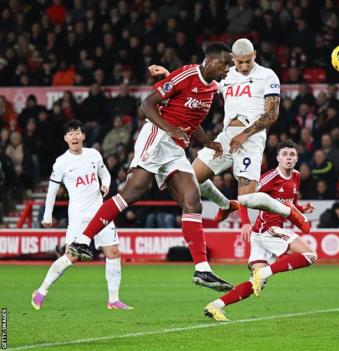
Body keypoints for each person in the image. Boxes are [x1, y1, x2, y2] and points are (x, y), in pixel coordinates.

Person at [67, 43, 235, 292]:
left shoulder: (211, 88)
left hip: (176, 147)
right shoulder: (186, 74)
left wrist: (207, 141)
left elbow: (190, 120)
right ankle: (81, 240)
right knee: (133, 192)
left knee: (192, 200)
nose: (228, 69)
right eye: (226, 63)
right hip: (157, 135)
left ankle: (203, 270)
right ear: (211, 61)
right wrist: (169, 128)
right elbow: (145, 106)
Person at [148, 38, 310, 234]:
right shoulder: (226, 74)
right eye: (239, 61)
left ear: (255, 55)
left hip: (251, 138)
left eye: (247, 61)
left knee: (247, 199)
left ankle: (290, 213)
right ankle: (225, 205)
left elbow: (271, 114)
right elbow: (198, 80)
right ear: (233, 58)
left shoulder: (267, 76)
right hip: (226, 137)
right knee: (191, 179)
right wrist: (168, 75)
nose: (243, 66)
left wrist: (244, 134)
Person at [203, 141, 316, 321]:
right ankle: (264, 272)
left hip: (263, 234)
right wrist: (245, 223)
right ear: (278, 158)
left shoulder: (295, 176)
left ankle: (216, 306)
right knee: (310, 255)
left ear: (297, 158)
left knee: (255, 283)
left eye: (292, 154)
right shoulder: (269, 177)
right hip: (267, 230)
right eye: (285, 154)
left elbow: (289, 203)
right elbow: (244, 198)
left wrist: (301, 208)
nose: (289, 157)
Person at [32, 121, 132, 310]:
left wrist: (106, 184)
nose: (74, 137)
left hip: (100, 213)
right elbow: (52, 191)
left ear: (83, 136)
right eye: (70, 134)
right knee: (71, 257)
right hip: (78, 217)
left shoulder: (94, 155)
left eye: (77, 133)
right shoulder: (61, 162)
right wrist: (47, 215)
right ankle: (41, 291)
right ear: (65, 139)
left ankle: (113, 300)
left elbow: (105, 174)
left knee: (113, 252)